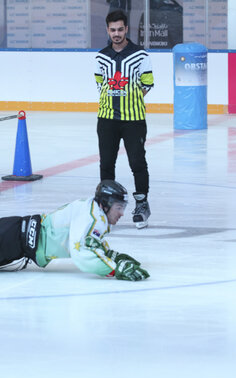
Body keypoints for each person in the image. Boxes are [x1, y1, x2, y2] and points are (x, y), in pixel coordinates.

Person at [0, 180, 150, 281]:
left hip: (16, 237)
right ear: (106, 204)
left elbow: (90, 244)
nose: (122, 212)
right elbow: (80, 251)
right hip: (12, 238)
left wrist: (113, 257)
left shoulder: (94, 214)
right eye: (119, 207)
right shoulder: (90, 216)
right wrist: (114, 269)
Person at [94, 10, 154, 229]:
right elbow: (100, 83)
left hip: (133, 120)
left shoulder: (140, 56)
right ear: (108, 30)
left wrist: (129, 100)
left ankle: (142, 204)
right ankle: (105, 207)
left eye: (120, 29)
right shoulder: (100, 57)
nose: (116, 34)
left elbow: (147, 84)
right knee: (107, 163)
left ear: (126, 29)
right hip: (107, 119)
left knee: (137, 162)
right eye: (113, 30)